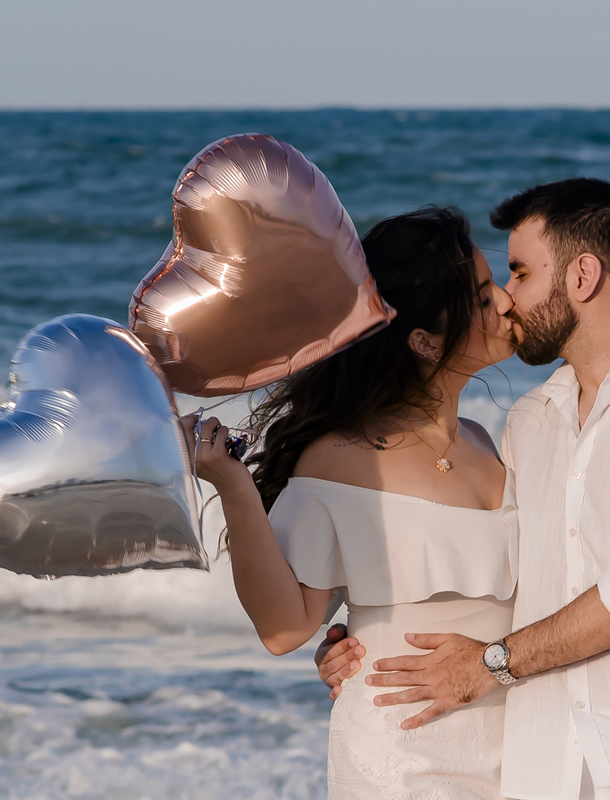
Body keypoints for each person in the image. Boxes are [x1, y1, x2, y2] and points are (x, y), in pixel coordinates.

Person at [317, 179, 610, 800]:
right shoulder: (530, 419)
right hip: (539, 773)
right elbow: (504, 569)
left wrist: (489, 663)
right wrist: (369, 633)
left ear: (583, 277)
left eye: (521, 272)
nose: (506, 299)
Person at [186, 206, 518, 799]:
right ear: (423, 339)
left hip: (515, 755)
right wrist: (234, 488)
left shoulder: (487, 443)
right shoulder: (342, 456)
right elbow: (285, 628)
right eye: (483, 295)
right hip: (402, 755)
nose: (507, 304)